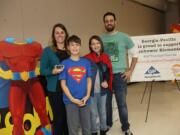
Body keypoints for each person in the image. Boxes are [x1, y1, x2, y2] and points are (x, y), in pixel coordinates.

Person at [0, 38, 51, 135]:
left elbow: (46, 61)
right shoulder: (3, 46)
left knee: (42, 109)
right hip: (16, 83)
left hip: (33, 81)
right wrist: (5, 74)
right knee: (16, 116)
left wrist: (39, 70)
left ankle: (47, 130)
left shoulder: (35, 46)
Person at [101, 12, 138, 135]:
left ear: (115, 22)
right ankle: (107, 125)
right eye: (106, 21)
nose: (109, 23)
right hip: (106, 76)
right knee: (106, 104)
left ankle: (126, 128)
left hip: (119, 76)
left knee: (121, 104)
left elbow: (136, 55)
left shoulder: (124, 37)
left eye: (111, 20)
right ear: (104, 23)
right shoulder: (100, 39)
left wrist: (130, 71)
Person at [59, 35, 92, 135]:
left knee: (87, 127)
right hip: (70, 101)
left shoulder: (86, 62)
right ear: (68, 47)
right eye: (72, 45)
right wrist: (72, 99)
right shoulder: (64, 63)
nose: (75, 47)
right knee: (73, 128)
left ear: (80, 46)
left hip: (85, 100)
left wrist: (87, 95)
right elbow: (63, 84)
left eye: (77, 45)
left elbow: (89, 80)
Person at [40, 23, 69, 135]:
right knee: (59, 119)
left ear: (65, 34)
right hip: (55, 89)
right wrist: (53, 71)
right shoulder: (48, 51)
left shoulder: (70, 49)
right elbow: (42, 70)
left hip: (70, 89)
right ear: (53, 35)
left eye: (62, 32)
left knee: (68, 119)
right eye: (57, 33)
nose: (60, 35)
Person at [85, 35, 113, 135]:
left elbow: (108, 72)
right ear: (90, 46)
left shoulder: (106, 57)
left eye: (97, 43)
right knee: (93, 114)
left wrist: (106, 81)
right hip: (91, 92)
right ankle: (93, 132)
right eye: (93, 44)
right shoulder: (86, 59)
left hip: (103, 92)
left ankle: (103, 130)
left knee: (103, 113)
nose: (95, 45)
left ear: (100, 44)